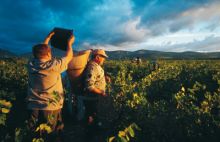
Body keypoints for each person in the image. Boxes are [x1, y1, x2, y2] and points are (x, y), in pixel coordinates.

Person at [26, 30, 75, 140]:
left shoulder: (30, 64)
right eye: (50, 52)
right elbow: (69, 55)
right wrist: (69, 43)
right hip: (50, 107)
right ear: (48, 54)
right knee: (51, 134)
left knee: (34, 134)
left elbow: (40, 52)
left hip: (32, 106)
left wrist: (48, 38)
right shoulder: (54, 65)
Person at [83, 49, 110, 140]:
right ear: (97, 57)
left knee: (94, 114)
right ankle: (89, 136)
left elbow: (96, 77)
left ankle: (95, 129)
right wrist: (102, 92)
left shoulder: (95, 66)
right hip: (91, 98)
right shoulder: (93, 67)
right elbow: (89, 86)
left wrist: (104, 78)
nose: (104, 59)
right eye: (103, 57)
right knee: (91, 115)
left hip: (94, 97)